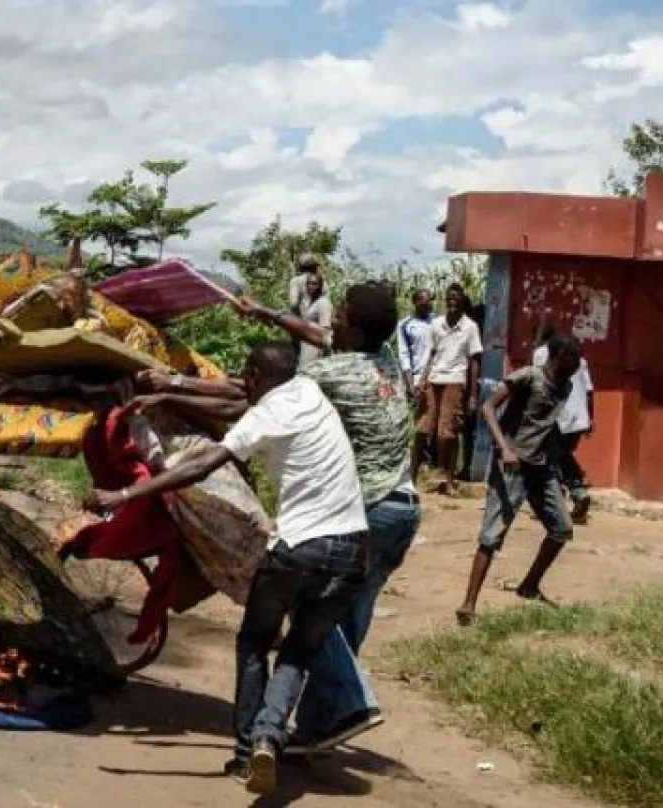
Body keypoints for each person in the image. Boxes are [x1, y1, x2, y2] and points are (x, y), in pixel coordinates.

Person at [138, 282, 419, 755]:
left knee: (307, 603)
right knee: (337, 621)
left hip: (361, 508)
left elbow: (253, 393)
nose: (332, 324)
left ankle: (353, 703)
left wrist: (175, 385)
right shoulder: (384, 357)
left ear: (355, 328)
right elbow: (313, 332)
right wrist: (265, 313)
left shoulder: (330, 375)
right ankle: (318, 726)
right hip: (404, 507)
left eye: (341, 316)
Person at [88, 342, 368, 796]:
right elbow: (234, 395)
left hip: (300, 550)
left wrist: (121, 497)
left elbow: (202, 463)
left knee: (254, 643)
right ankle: (266, 738)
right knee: (296, 653)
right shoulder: (310, 391)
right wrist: (172, 394)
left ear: (256, 374)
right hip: (353, 551)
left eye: (246, 373)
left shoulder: (261, 416)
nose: (242, 381)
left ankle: (245, 754)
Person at [455, 331, 582, 626]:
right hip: (512, 467)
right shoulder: (528, 377)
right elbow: (488, 408)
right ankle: (468, 604)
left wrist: (571, 475)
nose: (577, 367)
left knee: (561, 528)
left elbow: (546, 427)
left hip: (541, 467)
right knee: (491, 536)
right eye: (574, 360)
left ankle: (529, 586)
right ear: (560, 356)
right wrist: (504, 449)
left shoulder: (565, 387)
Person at [417, 284, 483, 494]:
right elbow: (432, 354)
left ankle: (449, 476)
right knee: (425, 429)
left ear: (462, 301)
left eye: (456, 299)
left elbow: (474, 361)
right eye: (449, 299)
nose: (452, 302)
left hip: (455, 380)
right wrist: (422, 380)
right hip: (434, 379)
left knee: (448, 432)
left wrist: (472, 394)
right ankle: (419, 475)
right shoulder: (436, 325)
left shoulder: (470, 327)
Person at [531, 323, 593, 522]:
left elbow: (538, 382)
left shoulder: (542, 353)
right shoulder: (579, 358)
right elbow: (590, 390)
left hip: (557, 415)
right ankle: (575, 491)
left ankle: (573, 492)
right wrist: (591, 418)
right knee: (562, 456)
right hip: (579, 417)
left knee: (551, 457)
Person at [397, 289, 436, 479]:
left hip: (435, 376)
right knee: (416, 421)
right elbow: (404, 354)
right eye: (423, 301)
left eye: (429, 300)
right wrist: (410, 382)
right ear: (415, 302)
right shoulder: (405, 325)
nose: (427, 304)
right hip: (415, 378)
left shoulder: (437, 322)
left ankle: (428, 460)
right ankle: (413, 461)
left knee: (430, 421)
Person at [293, 273, 332, 366]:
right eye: (308, 284)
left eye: (314, 284)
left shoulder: (323, 303)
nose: (311, 286)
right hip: (305, 346)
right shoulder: (308, 303)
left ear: (320, 286)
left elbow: (325, 331)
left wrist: (321, 355)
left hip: (315, 349)